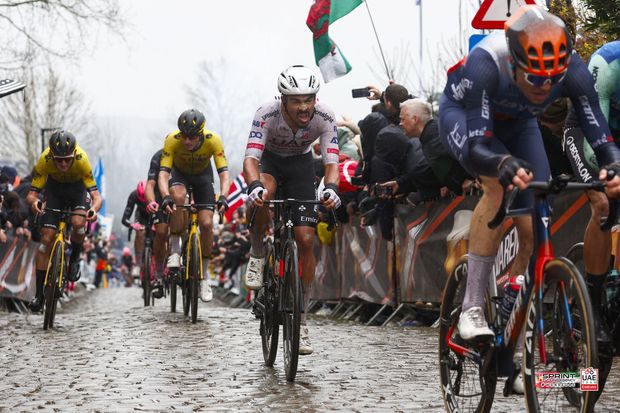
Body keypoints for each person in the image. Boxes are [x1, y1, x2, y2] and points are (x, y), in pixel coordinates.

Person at [438, 5, 620, 392]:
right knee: (496, 185)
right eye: (534, 77)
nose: (543, 87)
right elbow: (479, 144)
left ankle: (514, 331)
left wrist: (613, 165)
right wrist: (501, 162)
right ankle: (471, 307)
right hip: (466, 117)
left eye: (551, 80)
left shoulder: (573, 70)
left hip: (520, 123)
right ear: (515, 61)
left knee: (535, 227)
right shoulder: (487, 63)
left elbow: (599, 132)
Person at [243, 65, 341, 355]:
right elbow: (251, 159)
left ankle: (301, 320)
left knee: (305, 239)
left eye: (309, 99)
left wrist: (331, 188)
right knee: (265, 193)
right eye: (296, 101)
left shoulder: (325, 116)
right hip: (270, 163)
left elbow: (332, 162)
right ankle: (258, 254)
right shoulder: (266, 113)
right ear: (283, 100)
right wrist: (253, 186)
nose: (304, 107)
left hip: (300, 165)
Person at [562, 40, 620, 398]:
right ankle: (593, 302)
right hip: (587, 134)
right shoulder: (608, 62)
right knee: (602, 202)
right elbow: (594, 136)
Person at [159, 109, 230, 303]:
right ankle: (175, 250)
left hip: (203, 178)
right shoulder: (172, 140)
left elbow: (224, 173)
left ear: (200, 133)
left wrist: (224, 196)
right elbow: (163, 174)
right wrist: (165, 196)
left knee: (206, 224)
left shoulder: (213, 140)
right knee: (178, 196)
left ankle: (204, 277)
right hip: (180, 175)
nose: (187, 141)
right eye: (184, 136)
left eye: (192, 137)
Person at [26, 130, 102, 311]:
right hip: (55, 192)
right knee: (45, 240)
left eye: (67, 159)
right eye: (58, 160)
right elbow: (31, 195)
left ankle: (74, 258)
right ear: (51, 155)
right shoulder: (44, 159)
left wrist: (93, 210)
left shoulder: (82, 160)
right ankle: (39, 296)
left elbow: (97, 197)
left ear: (74, 154)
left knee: (78, 223)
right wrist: (35, 202)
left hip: (78, 192)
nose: (63, 164)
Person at [121, 180, 149, 272]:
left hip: (154, 213)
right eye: (142, 200)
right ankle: (138, 263)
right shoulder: (134, 195)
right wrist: (131, 224)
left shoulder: (156, 193)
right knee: (140, 232)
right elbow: (125, 218)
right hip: (141, 216)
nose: (145, 202)